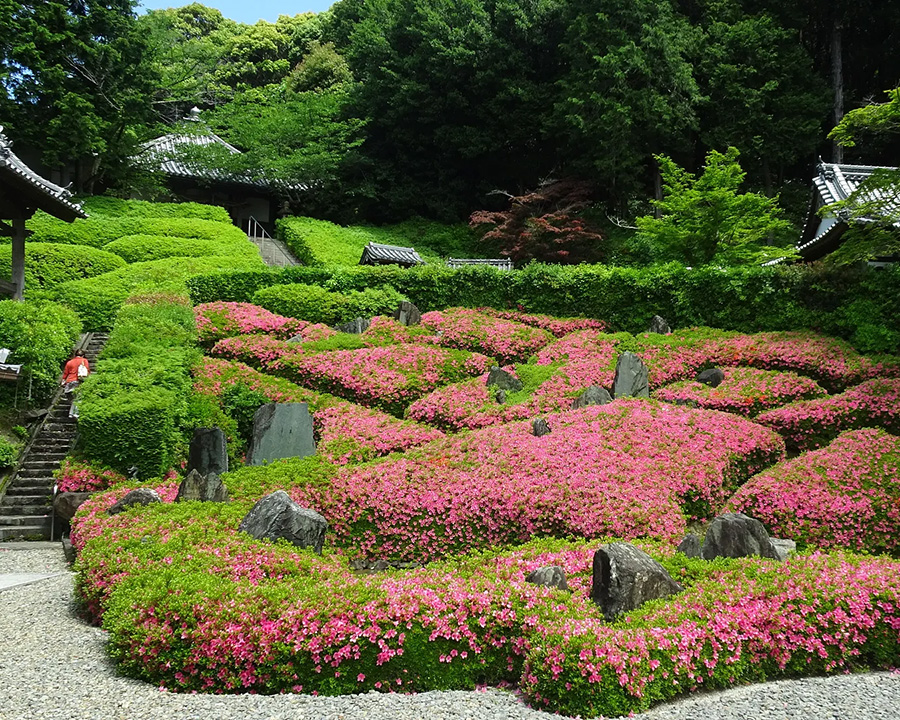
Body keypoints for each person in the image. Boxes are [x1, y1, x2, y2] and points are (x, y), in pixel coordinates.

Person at [61, 350, 90, 418]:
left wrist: (63, 381)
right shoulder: (84, 361)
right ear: (83, 355)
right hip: (78, 381)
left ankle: (71, 414)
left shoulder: (70, 362)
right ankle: (75, 414)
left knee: (73, 399)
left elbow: (65, 373)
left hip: (69, 382)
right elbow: (87, 370)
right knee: (78, 398)